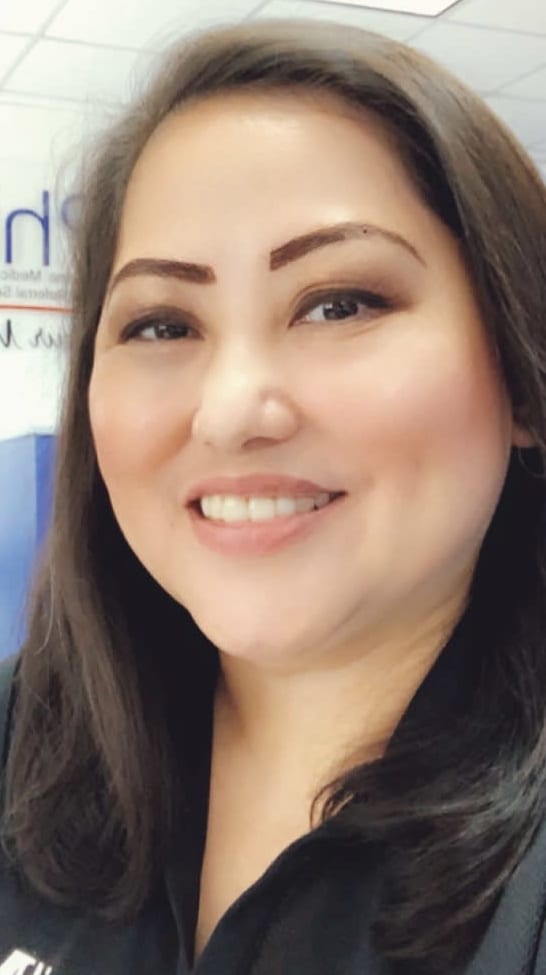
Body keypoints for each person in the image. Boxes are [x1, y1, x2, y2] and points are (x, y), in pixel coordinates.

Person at [1, 16, 546, 975]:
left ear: (522, 374)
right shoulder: (21, 738)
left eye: (340, 304)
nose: (230, 412)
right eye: (162, 324)